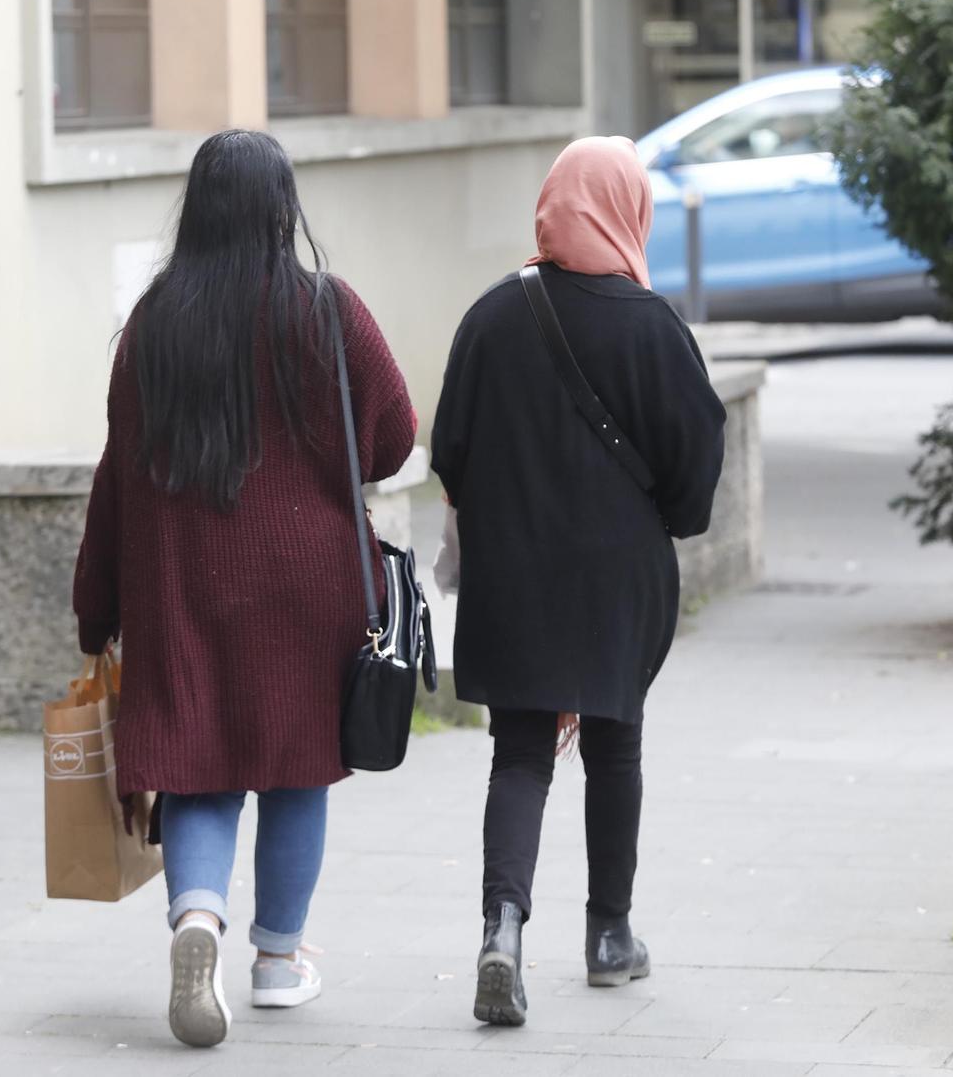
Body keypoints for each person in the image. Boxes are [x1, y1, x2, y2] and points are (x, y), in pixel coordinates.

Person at [71, 130, 416, 1048]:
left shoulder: (153, 324)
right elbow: (390, 437)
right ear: (282, 209)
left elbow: (120, 473)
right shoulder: (327, 309)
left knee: (199, 767)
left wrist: (96, 606)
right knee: (299, 768)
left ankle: (196, 920)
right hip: (310, 583)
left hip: (184, 580)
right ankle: (277, 962)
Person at [430, 135, 728, 1027]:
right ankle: (609, 935)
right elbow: (695, 468)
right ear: (627, 208)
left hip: (514, 572)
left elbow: (449, 448)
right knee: (617, 745)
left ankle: (501, 931)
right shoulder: (652, 326)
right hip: (616, 577)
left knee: (518, 752)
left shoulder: (490, 317)